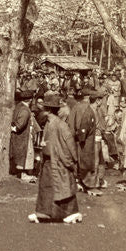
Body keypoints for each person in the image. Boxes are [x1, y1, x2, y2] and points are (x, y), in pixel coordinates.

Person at [29, 93, 82, 223]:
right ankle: (44, 212)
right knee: (48, 187)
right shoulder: (49, 123)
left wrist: (70, 161)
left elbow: (69, 144)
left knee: (64, 187)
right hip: (49, 161)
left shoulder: (60, 125)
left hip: (59, 161)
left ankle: (72, 212)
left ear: (48, 110)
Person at [68, 89, 97, 192]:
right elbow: (81, 126)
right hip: (82, 139)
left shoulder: (76, 106)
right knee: (86, 160)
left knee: (77, 160)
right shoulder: (85, 108)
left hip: (76, 137)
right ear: (88, 97)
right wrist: (81, 136)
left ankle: (77, 181)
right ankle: (87, 184)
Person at [10, 90, 35, 182]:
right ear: (30, 100)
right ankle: (22, 174)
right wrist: (14, 128)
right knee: (25, 154)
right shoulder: (25, 110)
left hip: (18, 136)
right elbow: (19, 126)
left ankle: (20, 173)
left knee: (19, 154)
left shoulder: (18, 106)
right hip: (23, 136)